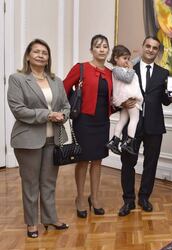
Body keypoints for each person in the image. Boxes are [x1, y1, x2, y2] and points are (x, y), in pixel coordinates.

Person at [7, 39, 70, 238]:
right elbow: (18, 110)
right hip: (28, 140)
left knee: (49, 182)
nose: (41, 55)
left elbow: (66, 106)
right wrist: (48, 115)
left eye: (45, 52)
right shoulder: (17, 79)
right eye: (36, 51)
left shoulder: (56, 80)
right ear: (28, 55)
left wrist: (63, 115)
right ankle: (32, 223)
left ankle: (50, 218)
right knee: (31, 183)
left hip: (54, 139)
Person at [118, 36, 171, 216]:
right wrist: (122, 103)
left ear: (158, 51)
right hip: (133, 123)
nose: (150, 50)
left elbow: (165, 100)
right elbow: (118, 91)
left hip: (154, 126)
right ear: (142, 47)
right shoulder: (129, 70)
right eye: (148, 46)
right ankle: (128, 200)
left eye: (154, 48)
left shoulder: (164, 73)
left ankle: (144, 197)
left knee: (151, 164)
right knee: (128, 162)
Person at [63, 34, 113, 218]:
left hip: (102, 121)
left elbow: (112, 98)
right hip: (83, 120)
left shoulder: (110, 73)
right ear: (91, 50)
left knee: (98, 160)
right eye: (98, 46)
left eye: (105, 46)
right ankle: (80, 198)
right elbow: (64, 87)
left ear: (108, 50)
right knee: (83, 160)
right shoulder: (81, 68)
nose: (101, 49)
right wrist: (64, 110)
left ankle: (95, 196)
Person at [106, 45, 143, 155]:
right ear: (116, 58)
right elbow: (127, 79)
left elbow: (135, 61)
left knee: (122, 120)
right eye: (124, 58)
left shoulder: (122, 68)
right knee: (134, 119)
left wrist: (140, 54)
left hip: (125, 100)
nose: (127, 61)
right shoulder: (117, 70)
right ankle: (129, 142)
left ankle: (114, 141)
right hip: (130, 98)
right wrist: (131, 68)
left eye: (128, 58)